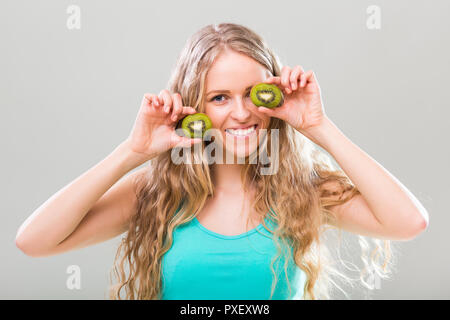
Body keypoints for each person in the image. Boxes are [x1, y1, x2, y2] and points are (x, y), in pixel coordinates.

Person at [15, 23, 429, 300]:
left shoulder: (304, 189)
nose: (242, 112)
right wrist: (132, 153)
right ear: (195, 108)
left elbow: (408, 222)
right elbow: (34, 241)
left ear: (275, 96)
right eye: (219, 98)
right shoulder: (155, 193)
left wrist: (319, 127)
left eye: (253, 93)